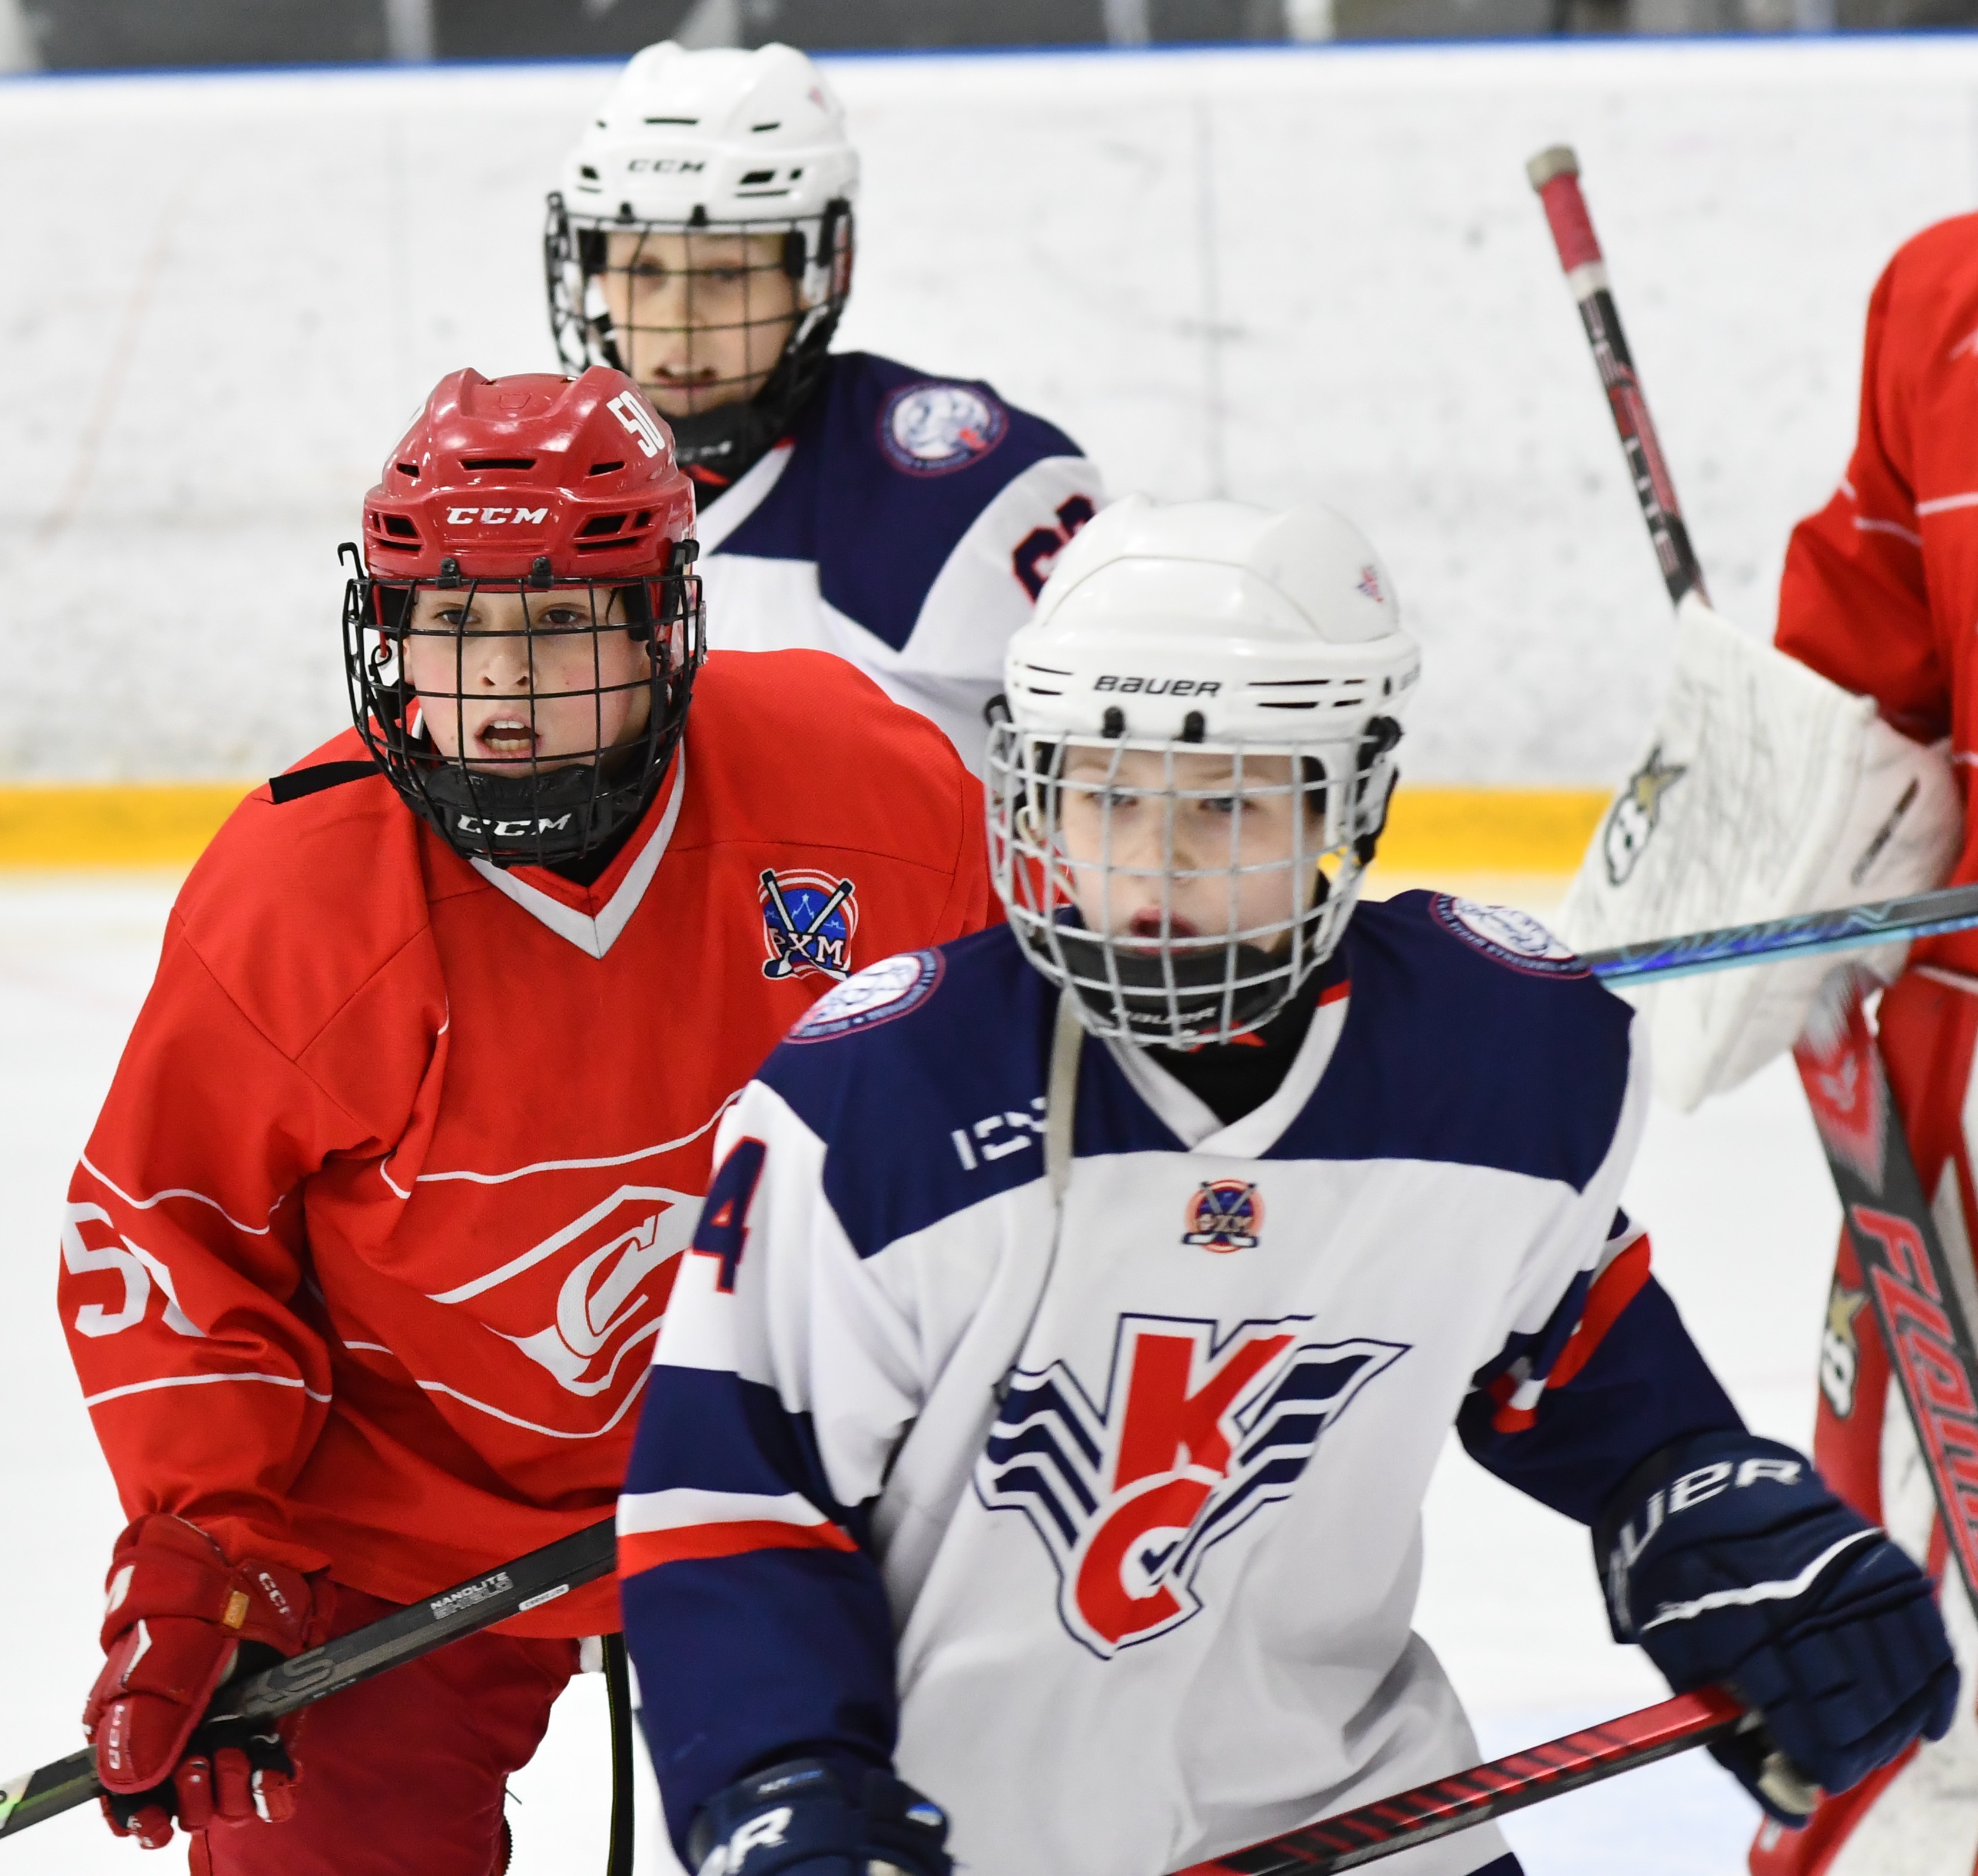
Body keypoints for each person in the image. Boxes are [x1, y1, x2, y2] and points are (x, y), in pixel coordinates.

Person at [613, 496, 1957, 1876]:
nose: (1153, 861)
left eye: (1228, 803)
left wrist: (1706, 1509)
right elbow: (732, 1500)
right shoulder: (882, 1102)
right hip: (958, 1840)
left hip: (1364, 1821)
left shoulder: (1490, 1062)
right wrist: (782, 1779)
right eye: (1106, 793)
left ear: (1345, 799)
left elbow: (1568, 1354)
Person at [61, 363, 995, 1875]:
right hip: (404, 1523)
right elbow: (177, 1241)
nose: (498, 686)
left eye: (558, 622)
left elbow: (1020, 1103)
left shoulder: (862, 794)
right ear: (389, 633)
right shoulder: (300, 900)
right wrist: (201, 1551)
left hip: (798, 1474)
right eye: (454, 624)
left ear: (659, 619)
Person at [546, 40, 1106, 769]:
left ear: (814, 273)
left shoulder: (957, 496)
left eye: (724, 273)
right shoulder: (525, 496)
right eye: (643, 269)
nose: (676, 320)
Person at [1740, 214, 1978, 1876]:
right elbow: (1867, 630)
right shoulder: (1945, 298)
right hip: (1957, 1100)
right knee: (1901, 1653)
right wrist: (1801, 793)